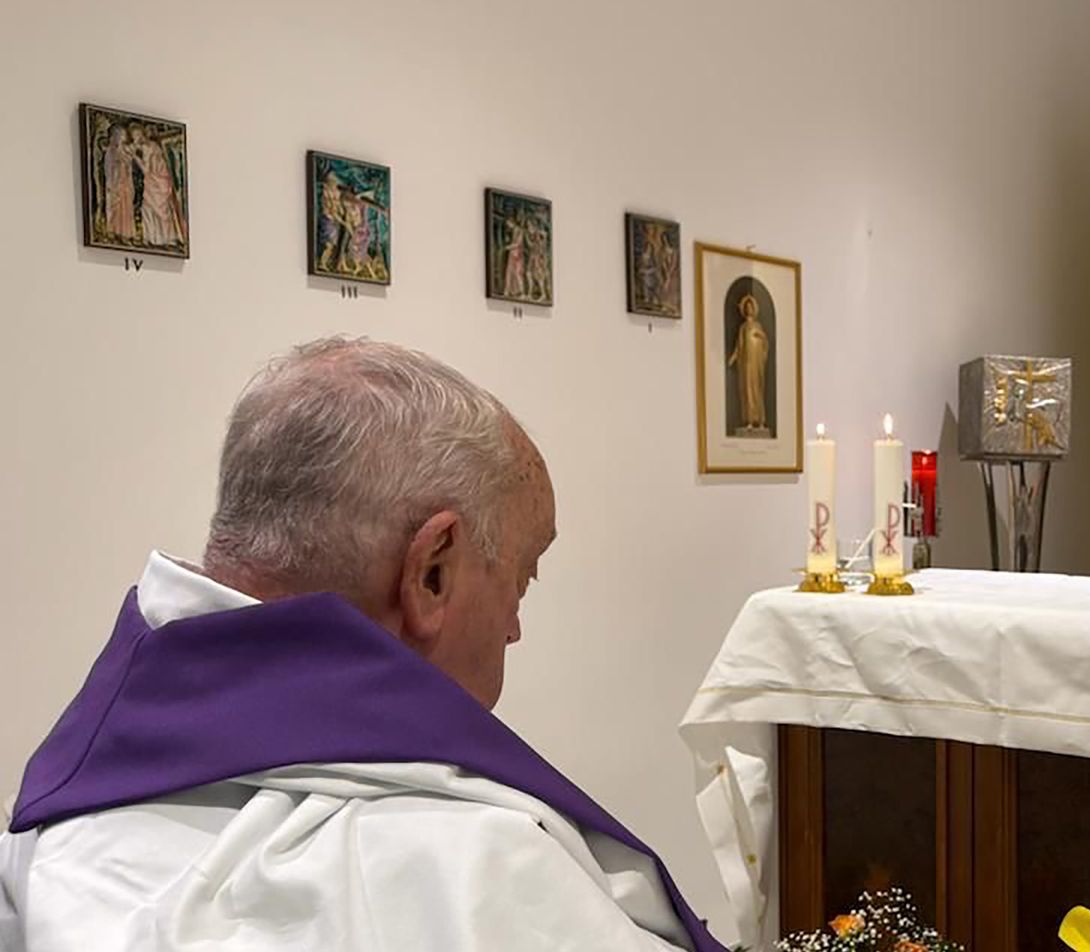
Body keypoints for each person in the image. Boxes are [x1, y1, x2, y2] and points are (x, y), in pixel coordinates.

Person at [0, 338, 724, 952]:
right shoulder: (483, 875)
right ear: (432, 571)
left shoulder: (38, 841)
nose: (513, 628)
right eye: (521, 581)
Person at [727, 294, 769, 434]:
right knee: (747, 390)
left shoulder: (758, 326)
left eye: (751, 307)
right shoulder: (743, 328)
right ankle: (750, 420)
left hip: (756, 363)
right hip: (746, 363)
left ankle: (761, 420)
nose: (749, 309)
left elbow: (765, 343)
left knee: (757, 389)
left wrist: (761, 337)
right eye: (747, 307)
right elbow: (740, 346)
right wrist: (733, 357)